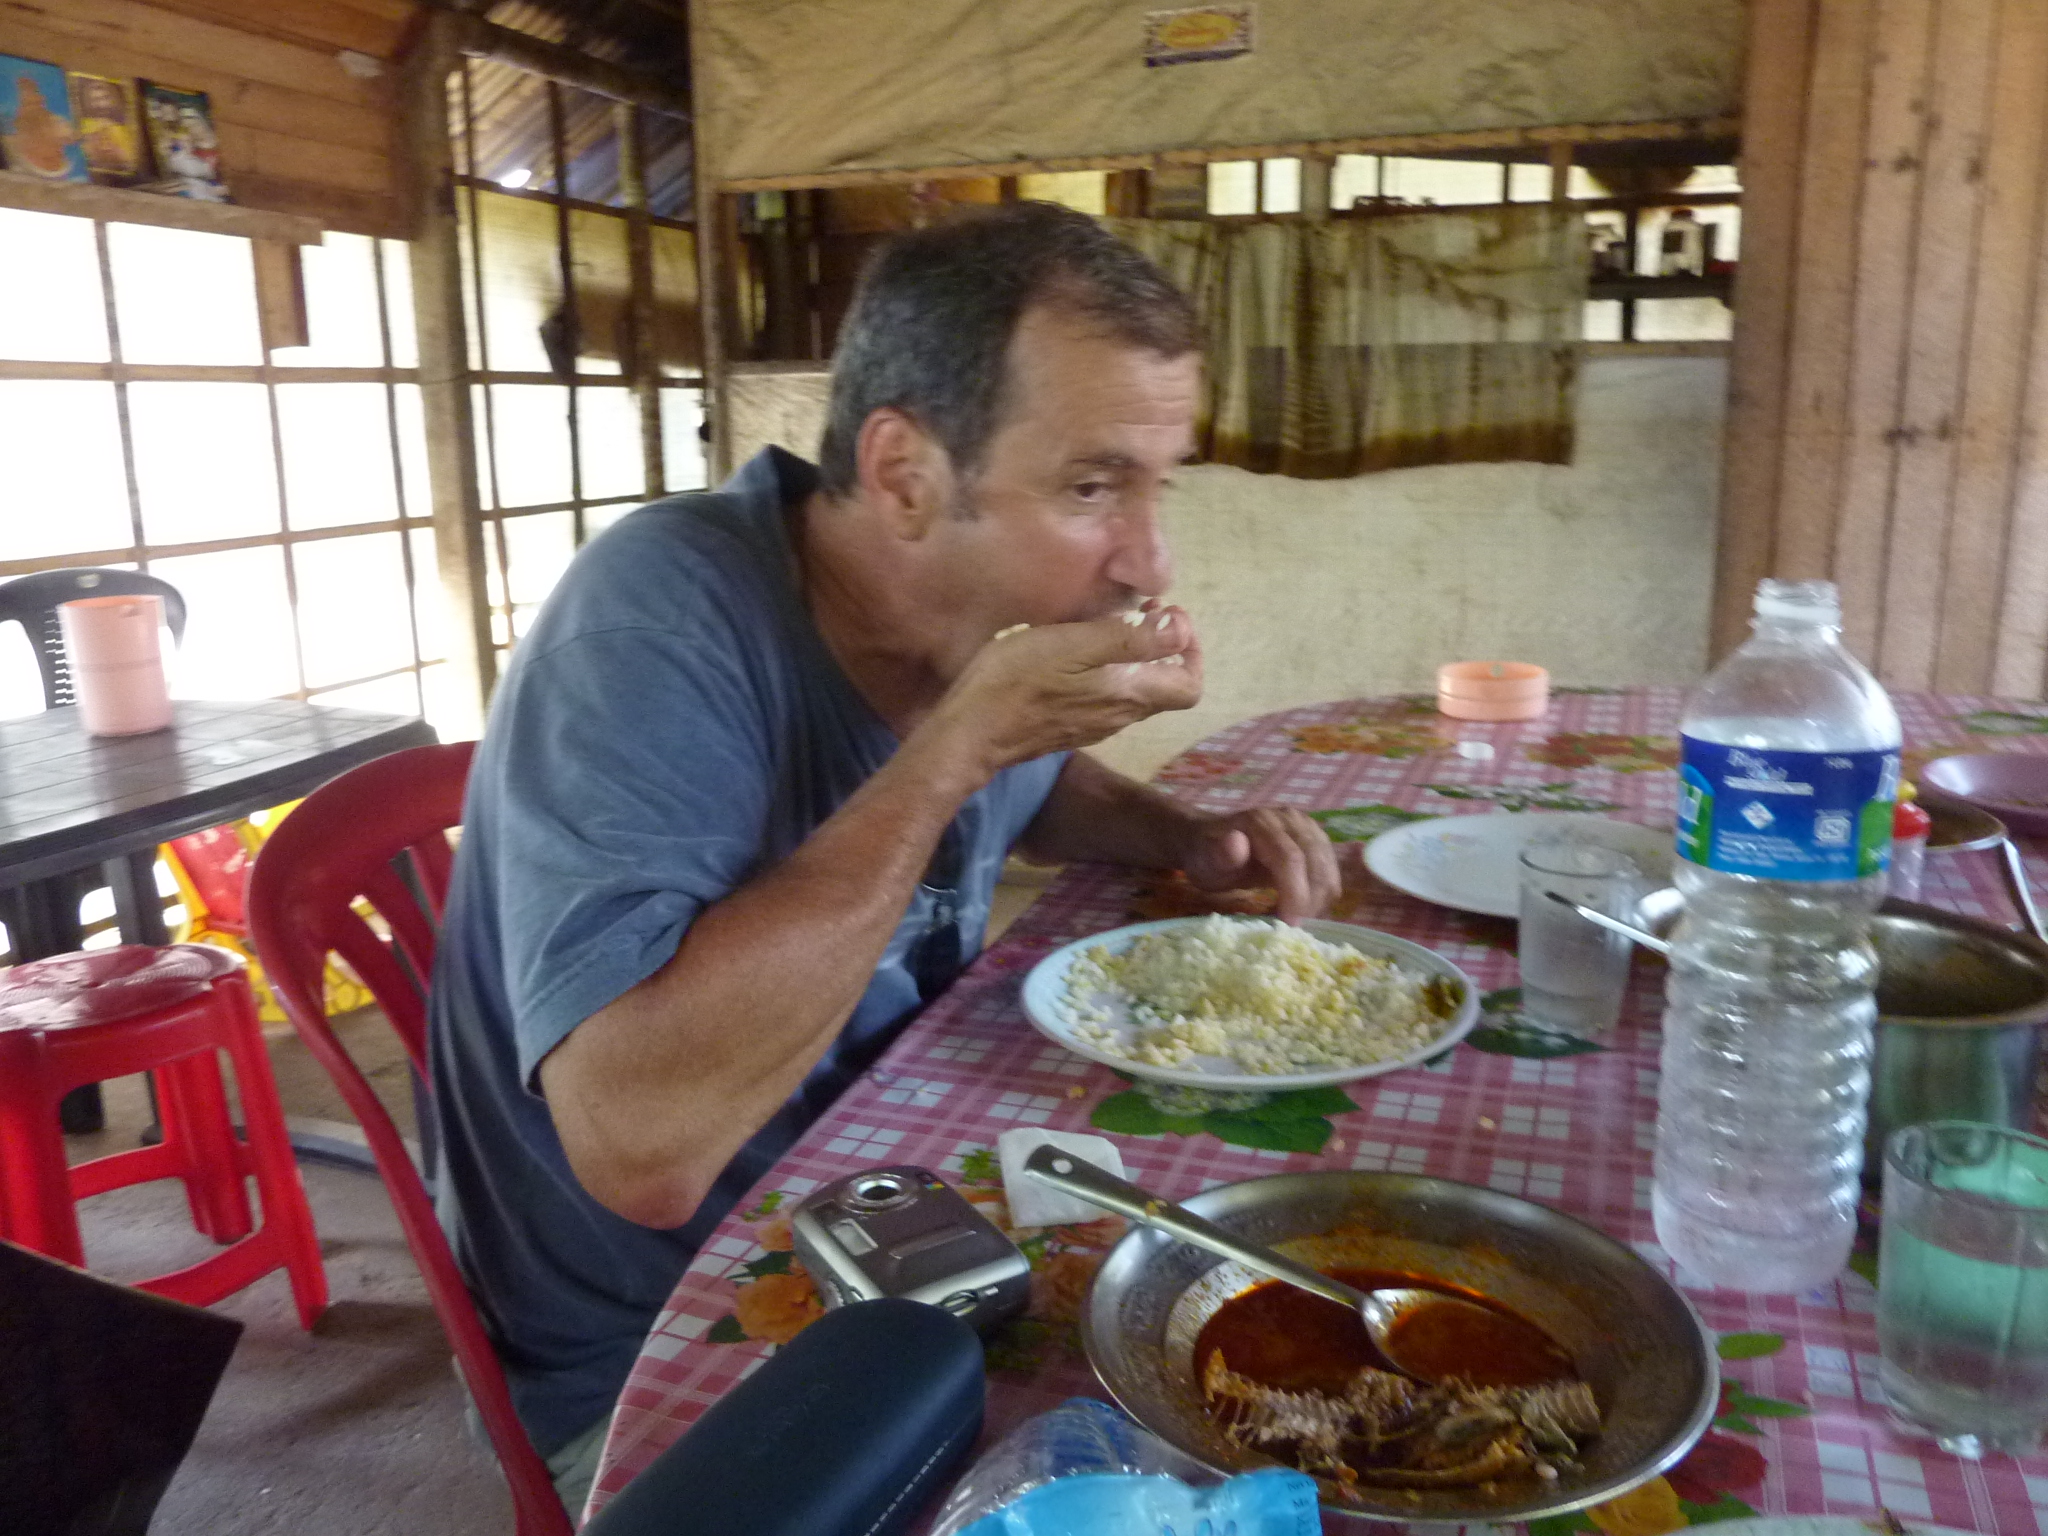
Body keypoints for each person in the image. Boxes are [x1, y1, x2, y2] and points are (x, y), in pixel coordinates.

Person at [427, 201, 1341, 1515]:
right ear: (907, 472)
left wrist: (1179, 836)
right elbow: (639, 1144)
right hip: (677, 1344)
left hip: (901, 1208)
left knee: (1274, 1337)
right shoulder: (660, 617)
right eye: (1093, 487)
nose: (1149, 558)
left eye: (1156, 486)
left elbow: (1022, 790)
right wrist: (951, 753)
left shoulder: (954, 620)